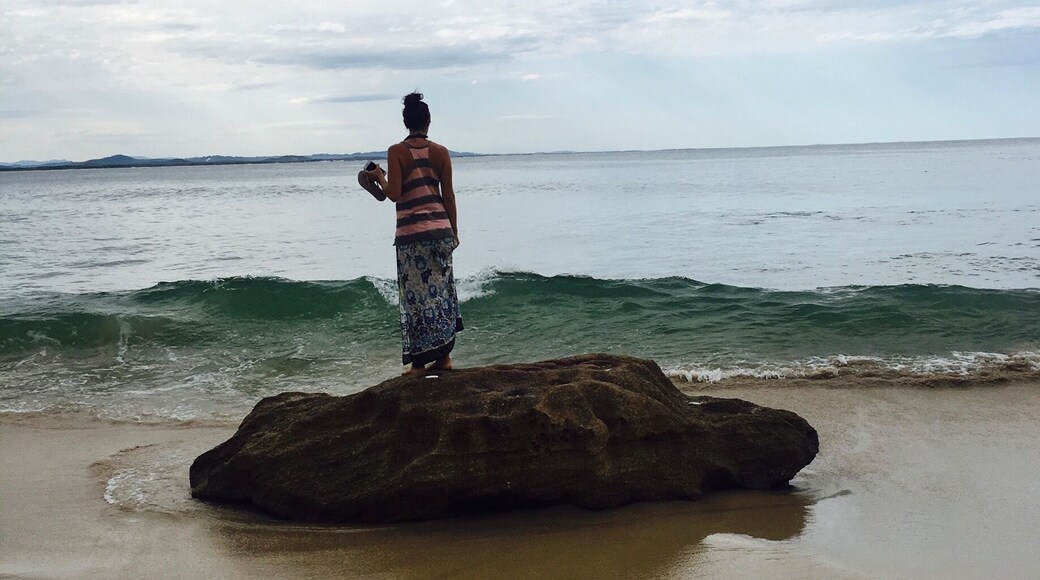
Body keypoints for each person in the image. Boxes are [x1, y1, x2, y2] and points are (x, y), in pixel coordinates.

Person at [367, 92, 463, 375]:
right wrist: (453, 232)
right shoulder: (441, 152)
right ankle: (444, 358)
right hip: (441, 232)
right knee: (443, 295)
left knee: (416, 298)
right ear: (429, 122)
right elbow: (450, 196)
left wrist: (378, 177)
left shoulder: (397, 151)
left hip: (412, 236)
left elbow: (394, 194)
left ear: (406, 122)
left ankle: (420, 364)